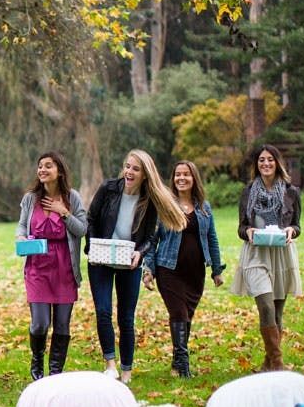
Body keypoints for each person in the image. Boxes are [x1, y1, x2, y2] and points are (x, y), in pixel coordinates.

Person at [85, 149, 186, 384]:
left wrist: (139, 254)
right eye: (127, 166)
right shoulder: (108, 188)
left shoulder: (148, 200)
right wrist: (93, 245)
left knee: (126, 318)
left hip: (128, 262)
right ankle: (110, 364)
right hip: (101, 259)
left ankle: (127, 370)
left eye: (135, 169)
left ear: (144, 175)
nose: (129, 172)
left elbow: (150, 237)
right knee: (102, 311)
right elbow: (91, 219)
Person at [142, 160, 226, 378]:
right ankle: (183, 364)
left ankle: (176, 362)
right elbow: (152, 240)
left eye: (186, 175)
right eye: (178, 174)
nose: (181, 178)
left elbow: (212, 239)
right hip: (169, 269)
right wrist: (148, 269)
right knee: (178, 313)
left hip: (195, 273)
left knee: (186, 316)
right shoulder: (165, 206)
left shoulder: (204, 208)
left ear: (194, 178)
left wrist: (217, 269)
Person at [16, 151, 88, 380]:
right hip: (37, 267)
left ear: (59, 171)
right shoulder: (31, 199)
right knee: (40, 324)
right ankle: (37, 363)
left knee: (62, 327)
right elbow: (21, 226)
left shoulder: (72, 197)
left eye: (48, 166)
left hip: (64, 269)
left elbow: (82, 230)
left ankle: (55, 373)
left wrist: (64, 213)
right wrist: (20, 237)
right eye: (40, 166)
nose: (42, 170)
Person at [231, 144, 302, 371]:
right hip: (255, 254)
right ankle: (279, 366)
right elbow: (241, 227)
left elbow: (296, 225)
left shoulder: (292, 192)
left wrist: (292, 232)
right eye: (261, 160)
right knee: (266, 306)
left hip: (281, 253)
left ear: (277, 163)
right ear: (256, 165)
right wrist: (248, 232)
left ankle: (268, 364)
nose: (266, 164)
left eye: (270, 159)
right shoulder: (248, 191)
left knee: (278, 312)